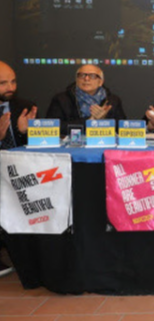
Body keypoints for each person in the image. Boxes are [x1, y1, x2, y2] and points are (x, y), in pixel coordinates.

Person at [0, 61, 37, 277]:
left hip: (19, 169)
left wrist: (26, 133)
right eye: (3, 83)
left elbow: (39, 146)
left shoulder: (24, 106)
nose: (10, 87)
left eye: (13, 81)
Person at [46, 64, 126, 133]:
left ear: (100, 82)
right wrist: (89, 121)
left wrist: (102, 120)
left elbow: (122, 128)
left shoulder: (113, 101)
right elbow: (51, 127)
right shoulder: (61, 99)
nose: (86, 79)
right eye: (82, 75)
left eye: (92, 76)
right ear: (77, 80)